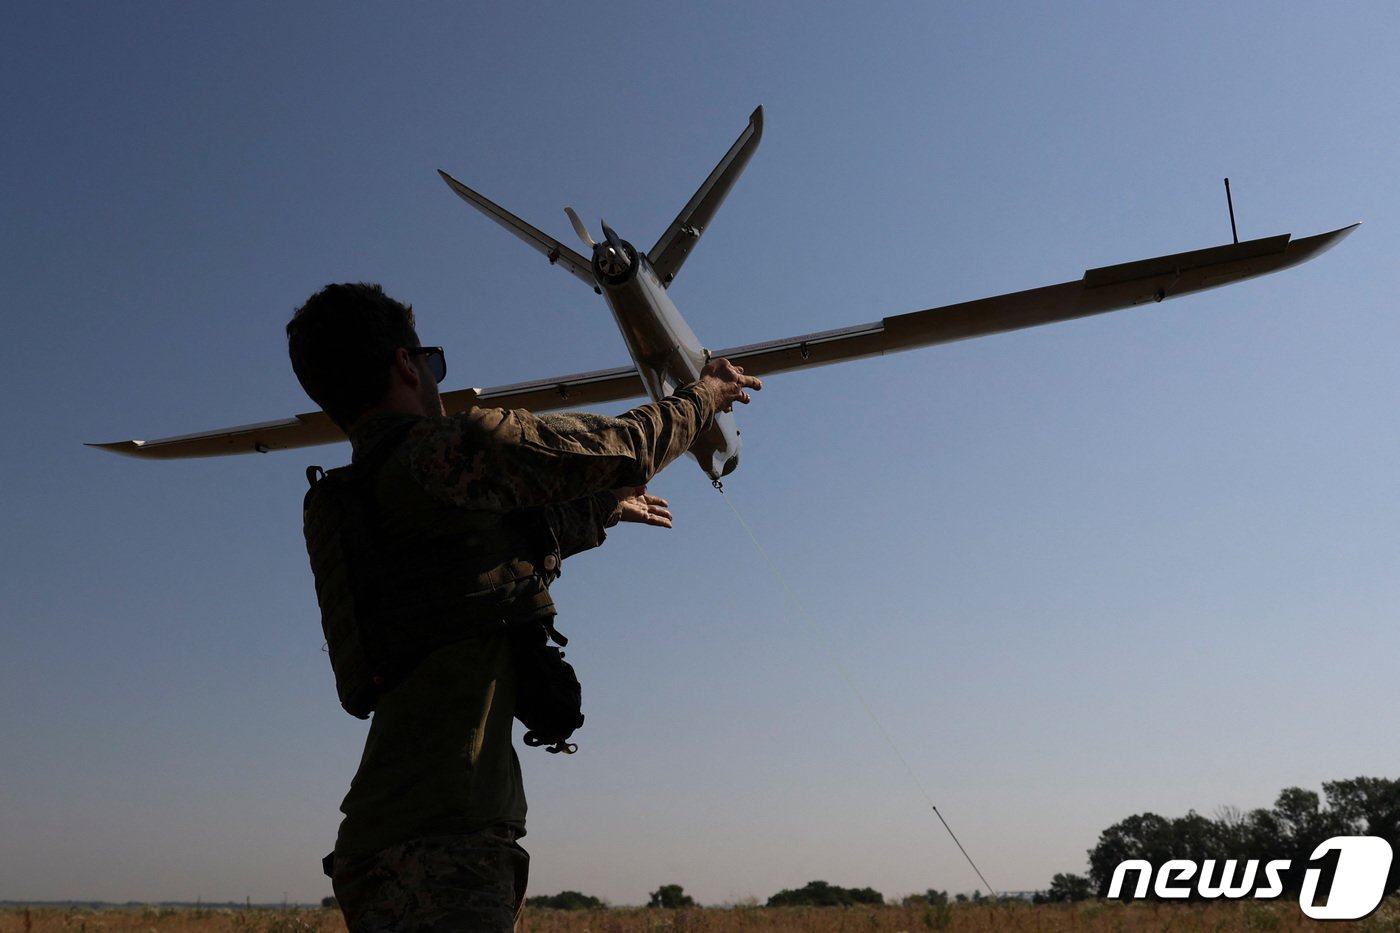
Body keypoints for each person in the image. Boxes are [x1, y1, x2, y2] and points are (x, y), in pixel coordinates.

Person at [286, 282, 760, 932]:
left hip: (375, 847)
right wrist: (705, 394)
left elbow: (477, 561)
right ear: (405, 364)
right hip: (445, 845)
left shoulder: (359, 504)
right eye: (434, 364)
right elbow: (626, 447)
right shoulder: (447, 452)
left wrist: (601, 507)